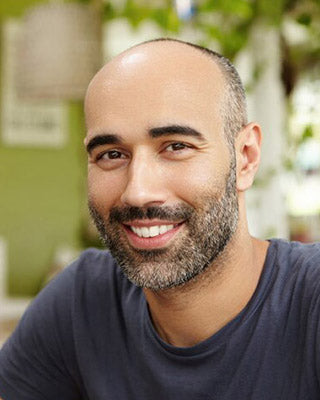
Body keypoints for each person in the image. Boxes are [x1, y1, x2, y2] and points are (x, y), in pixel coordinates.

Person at [1, 38, 320, 400]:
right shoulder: (81, 303)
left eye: (176, 146)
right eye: (111, 154)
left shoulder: (310, 303)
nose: (137, 192)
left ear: (245, 157)